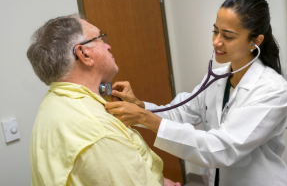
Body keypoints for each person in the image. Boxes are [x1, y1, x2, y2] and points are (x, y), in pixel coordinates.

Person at [105, 0, 287, 186]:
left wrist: (142, 117)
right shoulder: (215, 79)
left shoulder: (274, 91)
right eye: (215, 31)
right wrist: (140, 106)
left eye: (227, 36)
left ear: (256, 41)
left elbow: (222, 148)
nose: (216, 42)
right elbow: (179, 113)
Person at [27, 14, 180, 186]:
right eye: (100, 38)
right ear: (84, 54)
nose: (108, 45)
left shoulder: (52, 105)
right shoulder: (98, 130)